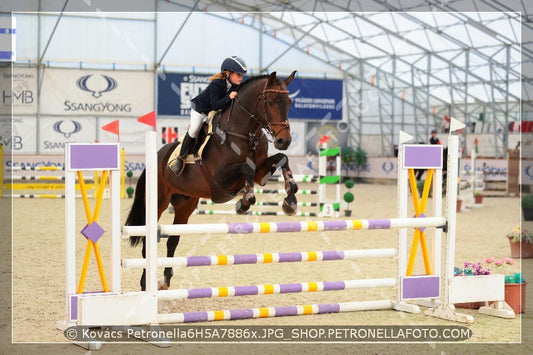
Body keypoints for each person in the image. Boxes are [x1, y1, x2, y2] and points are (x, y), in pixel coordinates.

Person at [169, 56, 247, 175]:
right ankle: (180, 158)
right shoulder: (217, 83)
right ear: (227, 73)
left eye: (242, 75)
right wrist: (229, 97)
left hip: (212, 112)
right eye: (238, 75)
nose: (241, 78)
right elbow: (215, 105)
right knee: (194, 130)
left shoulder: (235, 86)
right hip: (200, 110)